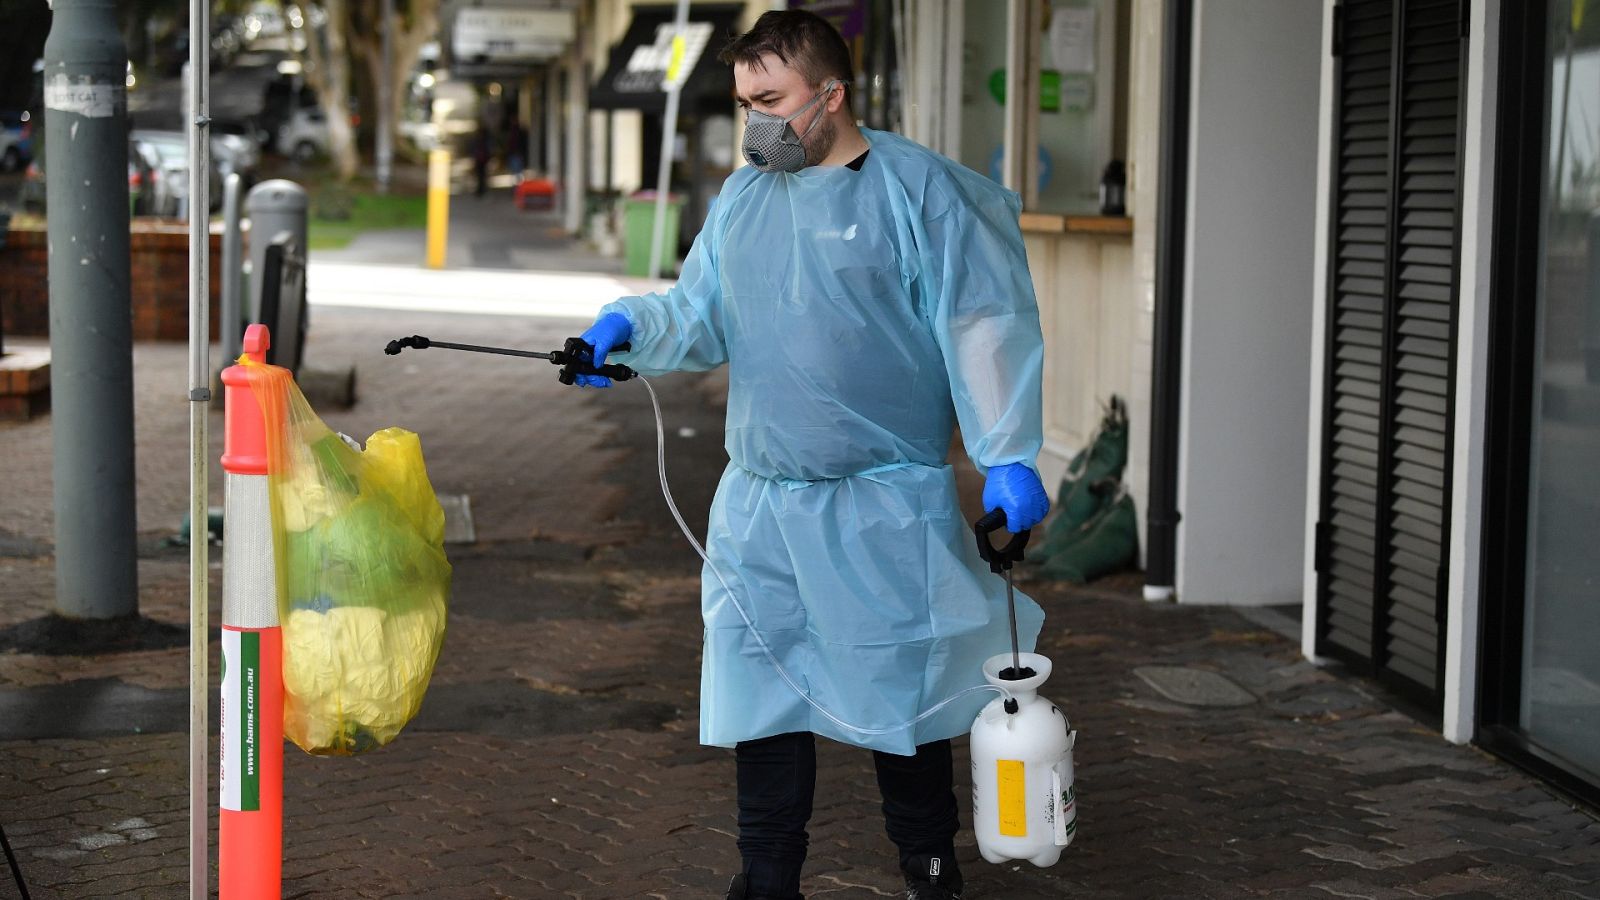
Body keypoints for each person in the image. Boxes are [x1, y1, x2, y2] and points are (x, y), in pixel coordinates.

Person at [571, 11, 1050, 900]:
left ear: (831, 94)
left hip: (883, 504)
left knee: (900, 700)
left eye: (770, 101)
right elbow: (702, 313)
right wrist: (625, 330)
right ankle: (766, 878)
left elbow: (984, 324)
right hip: (761, 505)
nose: (753, 122)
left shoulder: (921, 195)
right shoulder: (748, 196)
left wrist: (1008, 455)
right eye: (743, 100)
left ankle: (930, 867)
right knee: (764, 694)